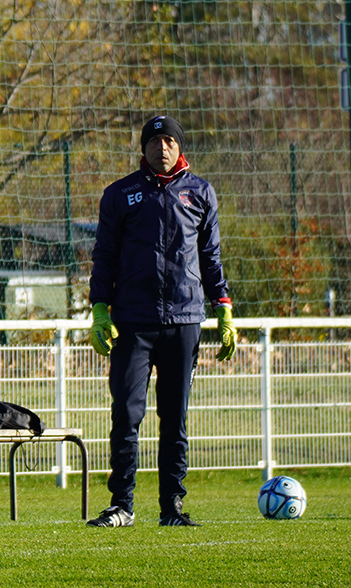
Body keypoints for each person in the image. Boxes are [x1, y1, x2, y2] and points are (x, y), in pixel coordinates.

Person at [86, 114, 237, 528]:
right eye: (155, 141)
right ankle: (122, 505)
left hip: (185, 320)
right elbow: (104, 256)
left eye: (169, 140)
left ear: (179, 146)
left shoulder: (201, 192)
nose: (162, 147)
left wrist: (222, 305)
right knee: (127, 414)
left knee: (175, 418)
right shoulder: (120, 194)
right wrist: (100, 308)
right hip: (133, 322)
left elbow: (210, 257)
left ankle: (172, 506)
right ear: (144, 149)